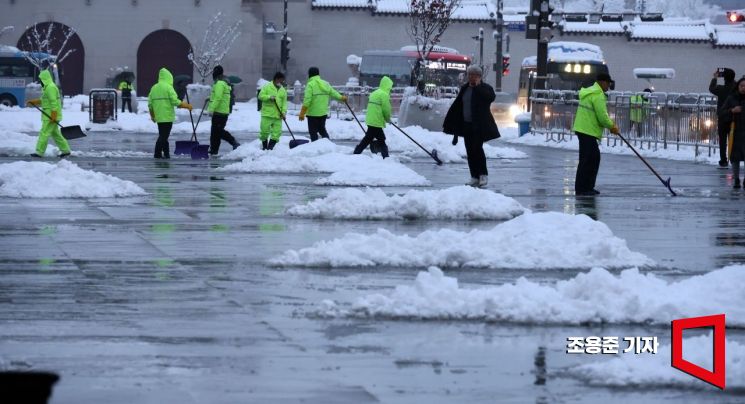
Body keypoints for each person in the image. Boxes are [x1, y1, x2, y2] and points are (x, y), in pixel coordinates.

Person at [442, 65, 500, 188]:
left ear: (479, 76)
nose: (472, 77)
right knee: (470, 151)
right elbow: (458, 105)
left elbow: (490, 98)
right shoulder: (465, 88)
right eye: (470, 75)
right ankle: (474, 176)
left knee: (477, 149)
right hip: (466, 125)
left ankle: (483, 175)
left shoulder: (485, 88)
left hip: (479, 125)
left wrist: (478, 87)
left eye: (475, 75)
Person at [572, 73, 620, 196]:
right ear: (602, 82)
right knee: (590, 160)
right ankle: (584, 188)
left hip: (583, 129)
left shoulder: (589, 92)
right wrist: (612, 126)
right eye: (608, 83)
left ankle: (584, 187)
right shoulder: (598, 95)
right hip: (588, 130)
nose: (608, 86)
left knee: (588, 159)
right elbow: (602, 117)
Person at [147, 68, 192, 159]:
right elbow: (175, 101)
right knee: (163, 137)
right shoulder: (168, 87)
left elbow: (150, 104)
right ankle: (157, 154)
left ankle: (166, 154)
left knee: (163, 136)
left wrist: (153, 116)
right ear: (169, 77)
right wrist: (186, 105)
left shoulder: (154, 88)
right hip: (167, 117)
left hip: (159, 117)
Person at [26, 69, 71, 158]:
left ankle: (39, 152)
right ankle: (65, 150)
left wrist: (53, 116)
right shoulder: (48, 87)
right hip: (50, 115)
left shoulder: (50, 88)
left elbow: (54, 103)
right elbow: (44, 101)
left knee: (44, 133)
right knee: (55, 134)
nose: (40, 82)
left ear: (45, 79)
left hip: (50, 116)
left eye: (41, 80)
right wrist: (34, 102)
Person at [299, 67, 347, 141]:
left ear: (310, 75)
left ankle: (315, 147)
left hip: (313, 114)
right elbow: (333, 93)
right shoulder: (325, 83)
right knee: (322, 130)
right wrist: (341, 98)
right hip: (323, 113)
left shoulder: (310, 84)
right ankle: (328, 145)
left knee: (313, 132)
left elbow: (307, 100)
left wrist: (302, 113)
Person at [353, 76, 392, 158]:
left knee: (369, 139)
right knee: (379, 139)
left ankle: (357, 152)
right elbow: (386, 109)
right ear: (387, 85)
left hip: (371, 120)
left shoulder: (375, 93)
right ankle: (386, 157)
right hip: (376, 121)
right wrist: (388, 119)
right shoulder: (384, 95)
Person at [207, 65, 240, 155]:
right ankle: (214, 150)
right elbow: (218, 96)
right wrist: (210, 98)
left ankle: (234, 142)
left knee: (218, 131)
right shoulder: (223, 83)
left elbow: (218, 98)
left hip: (219, 112)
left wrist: (211, 109)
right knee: (215, 133)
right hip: (222, 111)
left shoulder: (219, 84)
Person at [719, 77, 745, 188]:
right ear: (738, 87)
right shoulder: (731, 98)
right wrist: (732, 111)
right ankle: (736, 179)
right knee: (735, 157)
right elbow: (721, 112)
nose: (744, 88)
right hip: (735, 131)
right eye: (742, 86)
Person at [710, 68, 737, 168]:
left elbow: (712, 88)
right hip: (734, 118)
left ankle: (723, 160)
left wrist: (715, 78)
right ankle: (734, 159)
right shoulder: (736, 89)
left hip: (722, 117)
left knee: (722, 140)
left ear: (724, 78)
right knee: (733, 139)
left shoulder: (721, 89)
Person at [258, 72, 287, 150]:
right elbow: (260, 96)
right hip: (267, 114)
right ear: (276, 79)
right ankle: (264, 147)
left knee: (276, 133)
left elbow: (284, 103)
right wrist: (269, 97)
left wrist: (283, 113)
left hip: (278, 115)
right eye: (281, 81)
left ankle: (270, 149)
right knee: (264, 132)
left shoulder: (283, 90)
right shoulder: (267, 87)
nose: (282, 83)